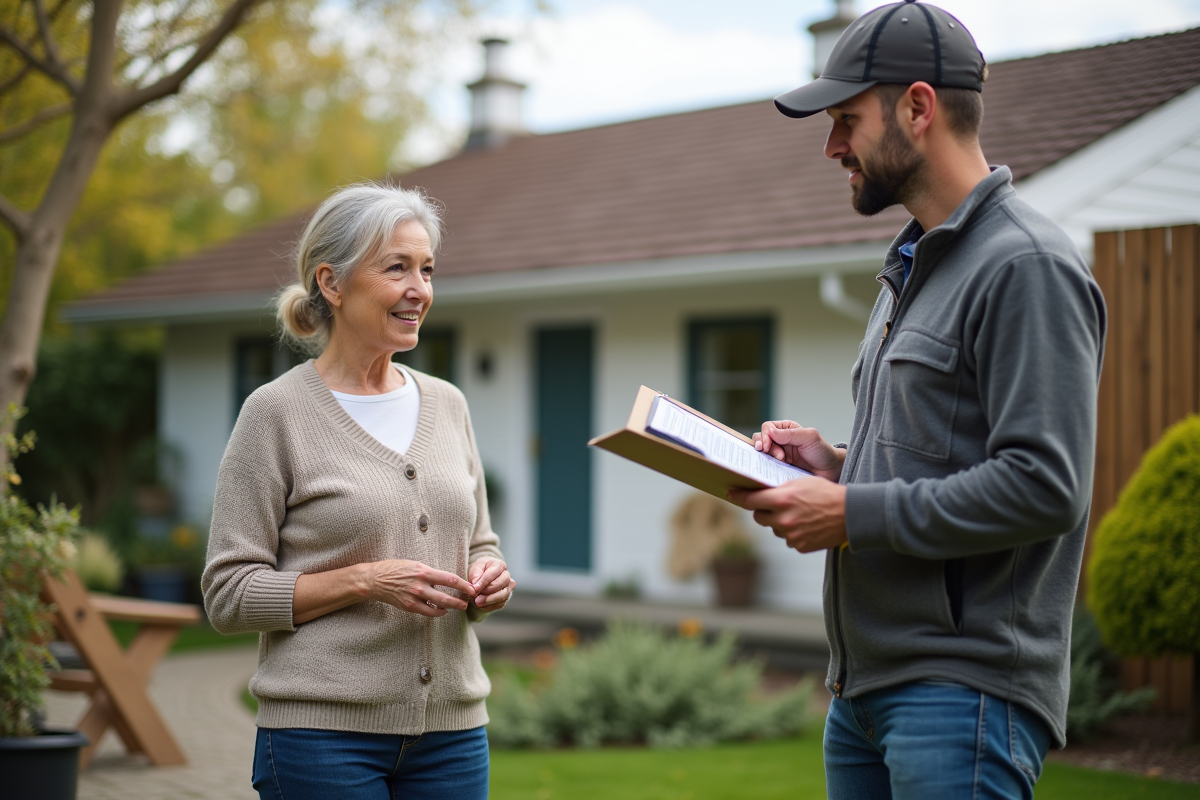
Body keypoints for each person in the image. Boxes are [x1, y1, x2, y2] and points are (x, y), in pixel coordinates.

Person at [728, 3, 1107, 798]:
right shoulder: (913, 267)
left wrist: (850, 513)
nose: (833, 146)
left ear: (918, 107)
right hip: (866, 690)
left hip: (961, 695)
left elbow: (1047, 484)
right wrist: (835, 464)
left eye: (845, 120)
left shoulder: (1025, 266)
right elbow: (944, 451)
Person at [202, 182, 515, 800]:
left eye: (427, 269)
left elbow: (480, 541)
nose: (418, 290)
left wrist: (489, 576)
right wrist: (366, 581)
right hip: (321, 737)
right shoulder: (276, 413)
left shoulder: (448, 404)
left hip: (452, 734)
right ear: (332, 283)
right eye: (396, 267)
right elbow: (227, 594)